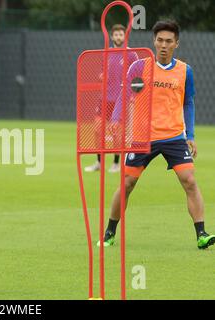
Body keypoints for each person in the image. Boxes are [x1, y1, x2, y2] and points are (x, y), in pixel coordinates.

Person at [98, 21, 215, 249]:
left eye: (168, 41)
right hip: (143, 136)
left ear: (176, 44)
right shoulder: (140, 67)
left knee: (189, 181)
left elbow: (188, 102)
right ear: (154, 41)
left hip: (173, 136)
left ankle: (202, 234)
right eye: (159, 40)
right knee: (128, 183)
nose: (163, 45)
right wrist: (115, 119)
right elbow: (125, 93)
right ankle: (109, 232)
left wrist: (189, 134)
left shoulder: (185, 71)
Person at [85, 24, 137, 173]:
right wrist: (102, 76)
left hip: (120, 99)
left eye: (121, 34)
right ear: (112, 36)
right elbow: (103, 74)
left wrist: (132, 96)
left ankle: (115, 163)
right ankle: (99, 162)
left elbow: (136, 78)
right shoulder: (106, 53)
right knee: (97, 129)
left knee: (116, 132)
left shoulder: (131, 54)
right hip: (104, 98)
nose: (119, 37)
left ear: (125, 36)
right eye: (116, 34)